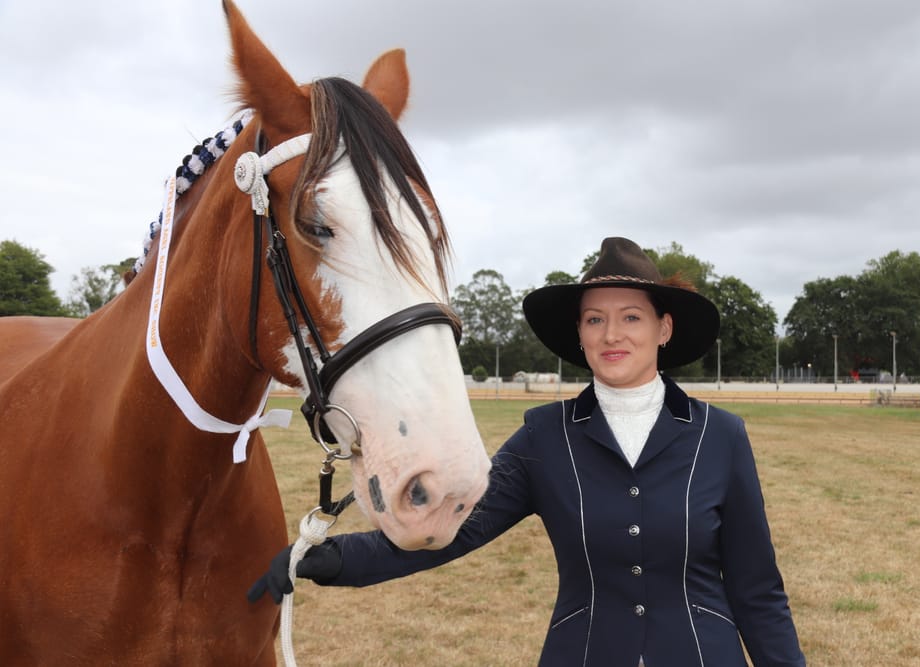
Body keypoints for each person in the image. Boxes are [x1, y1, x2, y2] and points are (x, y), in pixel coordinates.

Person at [250, 237, 806, 666]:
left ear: (663, 329)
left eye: (631, 317)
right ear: (581, 335)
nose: (612, 334)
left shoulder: (722, 436)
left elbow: (757, 589)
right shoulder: (547, 435)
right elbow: (457, 526)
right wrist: (332, 559)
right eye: (595, 319)